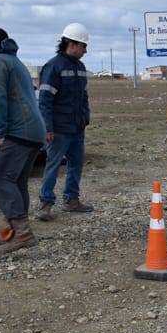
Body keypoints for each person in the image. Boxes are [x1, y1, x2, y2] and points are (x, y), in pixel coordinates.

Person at [0, 26, 46, 253]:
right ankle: (14, 230)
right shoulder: (15, 62)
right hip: (32, 131)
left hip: (15, 132)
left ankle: (22, 233)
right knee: (16, 182)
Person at [36, 22, 93, 221]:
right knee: (53, 165)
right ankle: (45, 203)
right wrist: (48, 127)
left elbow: (83, 96)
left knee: (76, 164)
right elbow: (44, 101)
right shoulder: (53, 67)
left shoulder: (80, 67)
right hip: (59, 129)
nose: (86, 50)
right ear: (71, 43)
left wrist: (85, 118)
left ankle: (71, 200)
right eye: (83, 45)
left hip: (76, 127)